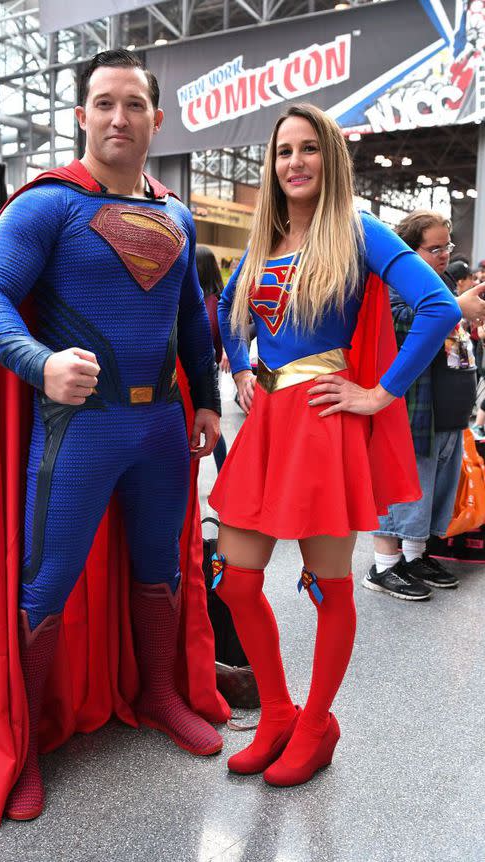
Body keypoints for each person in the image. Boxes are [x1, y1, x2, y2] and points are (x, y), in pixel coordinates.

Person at [0, 49, 228, 827]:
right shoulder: (47, 206)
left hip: (161, 431)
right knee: (45, 583)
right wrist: (39, 364)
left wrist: (205, 401)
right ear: (81, 115)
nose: (117, 118)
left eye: (133, 104)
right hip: (79, 429)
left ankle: (160, 693)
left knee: (159, 566)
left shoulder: (176, 214)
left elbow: (187, 326)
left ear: (155, 118)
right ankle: (24, 739)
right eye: (103, 103)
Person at [207, 104, 461, 788]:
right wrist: (239, 370)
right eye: (283, 150)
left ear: (329, 159)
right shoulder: (264, 240)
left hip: (323, 423)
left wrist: (378, 391)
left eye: (307, 148)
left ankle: (317, 723)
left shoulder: (355, 229)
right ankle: (278, 714)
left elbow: (437, 306)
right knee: (235, 579)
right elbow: (227, 314)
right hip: (268, 423)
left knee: (326, 583)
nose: (293, 161)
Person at [369, 212, 484, 599]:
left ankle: (415, 556)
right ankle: (383, 566)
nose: (442, 255)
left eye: (446, 247)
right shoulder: (396, 285)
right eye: (433, 248)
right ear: (407, 249)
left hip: (448, 415)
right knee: (404, 489)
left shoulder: (442, 282)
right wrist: (455, 306)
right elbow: (397, 327)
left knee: (431, 491)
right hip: (416, 410)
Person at [196, 244, 228, 472]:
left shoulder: (213, 303)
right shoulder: (211, 301)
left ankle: (225, 474)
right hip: (205, 369)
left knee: (211, 426)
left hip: (204, 371)